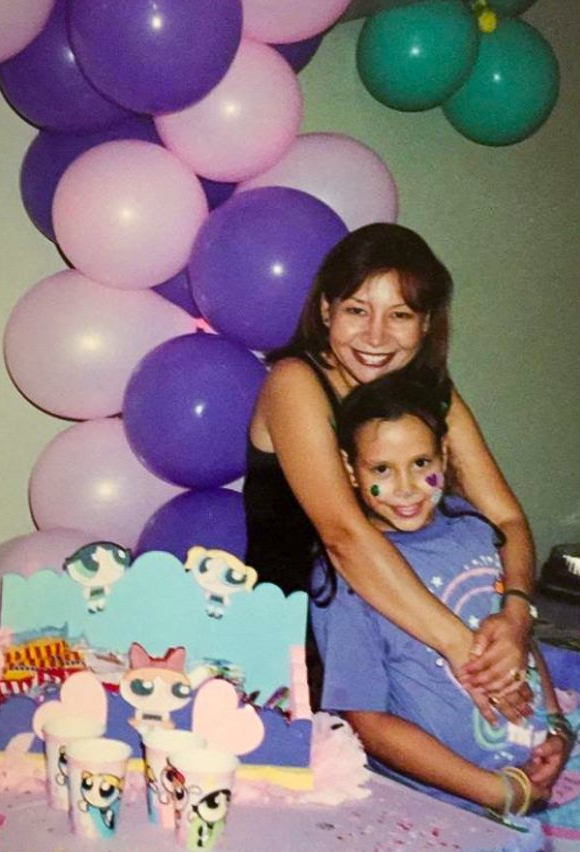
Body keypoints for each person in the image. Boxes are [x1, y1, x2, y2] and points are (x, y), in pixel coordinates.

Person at [243, 223, 535, 721]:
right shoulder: (295, 382)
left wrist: (515, 614)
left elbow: (505, 518)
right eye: (357, 310)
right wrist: (469, 655)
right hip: (304, 656)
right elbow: (345, 538)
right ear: (326, 310)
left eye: (399, 315)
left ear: (426, 324)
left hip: (418, 635)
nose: (375, 336)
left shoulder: (431, 393)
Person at [309, 373, 574, 817]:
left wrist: (556, 728)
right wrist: (496, 792)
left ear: (445, 455)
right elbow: (369, 724)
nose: (407, 487)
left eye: (420, 463)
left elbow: (519, 641)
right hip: (439, 806)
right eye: (382, 470)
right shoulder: (346, 578)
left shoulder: (475, 529)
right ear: (350, 470)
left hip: (535, 772)